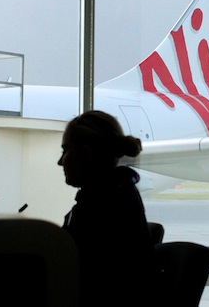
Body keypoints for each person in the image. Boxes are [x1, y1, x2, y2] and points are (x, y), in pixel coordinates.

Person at [58, 110, 157, 306]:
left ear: (86, 154)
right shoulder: (119, 195)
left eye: (65, 151)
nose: (61, 161)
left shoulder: (98, 208)